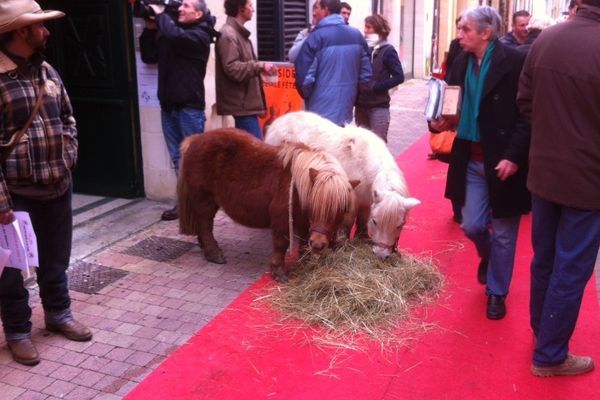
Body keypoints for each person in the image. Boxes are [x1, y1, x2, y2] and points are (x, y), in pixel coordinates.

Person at [0, 0, 93, 366]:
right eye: (39, 26)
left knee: (56, 258)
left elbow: (69, 117)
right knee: (11, 271)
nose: (47, 31)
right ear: (21, 31)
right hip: (15, 196)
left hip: (57, 185)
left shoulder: (48, 71)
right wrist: (1, 202)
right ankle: (18, 332)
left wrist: (67, 158)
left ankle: (58, 314)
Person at [430, 6, 530, 320]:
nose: (459, 36)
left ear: (485, 33)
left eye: (465, 30)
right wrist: (440, 122)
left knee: (504, 233)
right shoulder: (460, 61)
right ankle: (488, 257)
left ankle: (497, 293)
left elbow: (528, 116)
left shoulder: (513, 62)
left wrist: (514, 156)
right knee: (472, 224)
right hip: (469, 157)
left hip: (502, 160)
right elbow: (451, 103)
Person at [517, 0, 600, 377]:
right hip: (587, 180)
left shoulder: (546, 39)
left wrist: (553, 134)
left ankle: (543, 333)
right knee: (570, 269)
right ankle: (550, 354)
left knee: (545, 259)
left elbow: (526, 102)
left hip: (546, 171)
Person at [139, 0, 217, 221]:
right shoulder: (172, 32)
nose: (180, 8)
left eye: (186, 6)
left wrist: (161, 13)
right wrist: (149, 29)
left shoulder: (200, 35)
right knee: (177, 159)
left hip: (189, 109)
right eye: (179, 5)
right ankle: (185, 205)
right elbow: (148, 56)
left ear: (199, 14)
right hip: (169, 107)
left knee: (195, 159)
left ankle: (203, 207)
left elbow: (175, 37)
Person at [294, 0, 372, 126]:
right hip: (345, 109)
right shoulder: (357, 35)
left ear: (326, 10)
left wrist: (311, 97)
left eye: (317, 8)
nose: (314, 12)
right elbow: (366, 76)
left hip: (319, 112)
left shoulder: (316, 37)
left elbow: (304, 80)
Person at [215, 0, 277, 140]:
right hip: (242, 106)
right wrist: (259, 66)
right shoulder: (229, 35)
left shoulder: (238, 34)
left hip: (245, 105)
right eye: (250, 5)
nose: (253, 9)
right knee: (257, 154)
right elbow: (232, 69)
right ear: (240, 8)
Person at [355, 14, 404, 143]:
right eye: (365, 27)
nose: (365, 30)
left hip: (379, 107)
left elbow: (399, 76)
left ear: (377, 29)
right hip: (361, 106)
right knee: (361, 147)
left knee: (378, 146)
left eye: (368, 27)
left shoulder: (388, 50)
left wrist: (377, 86)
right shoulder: (363, 49)